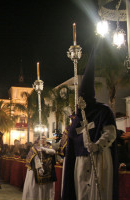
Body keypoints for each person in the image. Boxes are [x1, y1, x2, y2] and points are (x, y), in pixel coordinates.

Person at [62, 47, 119, 200]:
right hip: (80, 162)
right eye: (79, 98)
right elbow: (71, 140)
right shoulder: (78, 118)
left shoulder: (103, 111)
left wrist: (98, 144)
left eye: (84, 97)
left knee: (98, 192)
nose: (81, 101)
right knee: (81, 193)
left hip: (99, 158)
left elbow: (110, 132)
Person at [22, 135, 56, 200]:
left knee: (47, 188)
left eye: (44, 139)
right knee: (35, 188)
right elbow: (35, 158)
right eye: (41, 139)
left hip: (48, 170)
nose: (43, 140)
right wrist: (39, 167)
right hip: (36, 170)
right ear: (38, 140)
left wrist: (44, 149)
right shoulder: (34, 148)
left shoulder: (50, 146)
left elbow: (53, 152)